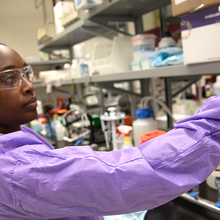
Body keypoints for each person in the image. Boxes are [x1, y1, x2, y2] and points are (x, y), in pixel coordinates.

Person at [0, 43, 220, 220]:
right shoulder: (16, 170)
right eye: (8, 78)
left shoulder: (13, 139)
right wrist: (213, 123)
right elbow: (125, 175)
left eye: (26, 73)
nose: (29, 85)